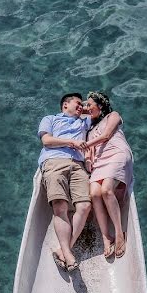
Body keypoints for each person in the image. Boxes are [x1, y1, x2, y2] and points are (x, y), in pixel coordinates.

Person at [37, 92, 93, 272]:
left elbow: (102, 110)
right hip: (54, 161)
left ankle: (63, 249)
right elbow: (46, 141)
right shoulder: (50, 119)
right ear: (64, 106)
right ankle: (68, 254)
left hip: (78, 165)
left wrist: (85, 107)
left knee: (84, 206)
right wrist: (71, 143)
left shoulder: (85, 121)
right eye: (77, 104)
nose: (80, 107)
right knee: (60, 206)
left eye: (81, 105)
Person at [82, 91, 133, 259]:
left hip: (117, 153)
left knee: (106, 190)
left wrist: (84, 144)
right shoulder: (89, 131)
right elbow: (89, 155)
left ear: (101, 106)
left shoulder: (113, 115)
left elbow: (106, 136)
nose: (86, 107)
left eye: (90, 104)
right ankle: (106, 236)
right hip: (99, 162)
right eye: (86, 105)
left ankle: (119, 233)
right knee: (94, 193)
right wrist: (87, 160)